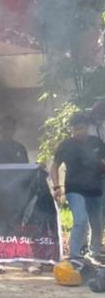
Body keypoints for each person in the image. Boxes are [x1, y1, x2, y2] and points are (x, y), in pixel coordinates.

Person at [50, 112, 105, 264]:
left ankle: (94, 252)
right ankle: (74, 255)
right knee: (80, 220)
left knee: (97, 223)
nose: (78, 132)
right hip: (74, 189)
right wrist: (56, 187)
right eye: (75, 129)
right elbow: (54, 167)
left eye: (81, 128)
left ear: (87, 128)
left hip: (95, 188)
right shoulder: (66, 145)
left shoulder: (96, 143)